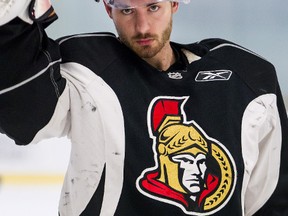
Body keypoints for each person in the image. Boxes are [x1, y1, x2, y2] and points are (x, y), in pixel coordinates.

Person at [0, 0, 287, 215]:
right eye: (127, 10)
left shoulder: (247, 78)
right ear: (108, 10)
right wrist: (16, 20)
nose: (142, 27)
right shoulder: (88, 70)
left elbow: (271, 202)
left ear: (174, 3)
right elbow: (24, 119)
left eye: (153, 7)